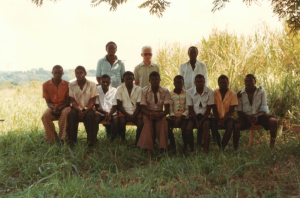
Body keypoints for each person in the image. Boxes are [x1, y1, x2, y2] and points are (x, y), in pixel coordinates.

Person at [235, 74, 278, 149]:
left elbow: (264, 108)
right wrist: (247, 116)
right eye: (246, 81)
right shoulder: (240, 93)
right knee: (236, 125)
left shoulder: (261, 91)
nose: (248, 83)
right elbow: (239, 111)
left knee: (273, 121)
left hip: (259, 116)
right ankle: (236, 148)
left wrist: (257, 116)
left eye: (251, 81)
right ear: (244, 83)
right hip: (245, 117)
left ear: (255, 81)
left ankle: (272, 146)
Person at [96, 41, 125, 137]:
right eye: (110, 48)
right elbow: (98, 76)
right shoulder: (101, 61)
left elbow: (123, 77)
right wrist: (103, 86)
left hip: (116, 90)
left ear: (116, 50)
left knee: (116, 111)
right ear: (106, 49)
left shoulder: (120, 63)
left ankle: (119, 134)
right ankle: (108, 131)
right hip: (105, 90)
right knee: (105, 107)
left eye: (113, 48)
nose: (111, 50)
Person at [137, 71, 170, 153]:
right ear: (149, 81)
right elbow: (142, 108)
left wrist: (159, 114)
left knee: (163, 122)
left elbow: (167, 109)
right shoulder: (144, 90)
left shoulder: (165, 91)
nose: (155, 81)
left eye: (157, 79)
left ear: (160, 80)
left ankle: (162, 147)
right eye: (153, 79)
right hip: (148, 113)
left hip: (160, 113)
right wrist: (150, 114)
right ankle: (148, 148)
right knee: (147, 122)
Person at [67, 66, 99, 146]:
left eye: (81, 72)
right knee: (71, 115)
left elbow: (92, 101)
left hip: (89, 107)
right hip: (76, 107)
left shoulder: (92, 84)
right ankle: (72, 141)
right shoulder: (72, 84)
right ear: (75, 74)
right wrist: (79, 110)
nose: (79, 75)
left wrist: (85, 112)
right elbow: (73, 101)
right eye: (77, 73)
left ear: (85, 73)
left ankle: (91, 142)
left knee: (90, 116)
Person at [42, 65, 71, 143]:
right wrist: (54, 107)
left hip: (65, 107)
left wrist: (61, 108)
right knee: (45, 116)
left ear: (63, 73)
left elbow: (68, 102)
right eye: (55, 73)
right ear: (52, 73)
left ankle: (63, 138)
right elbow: (48, 103)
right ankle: (52, 138)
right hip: (52, 107)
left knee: (65, 113)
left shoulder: (68, 84)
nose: (57, 75)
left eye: (59, 73)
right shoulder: (46, 85)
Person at [186, 74, 215, 153]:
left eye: (201, 82)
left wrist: (201, 121)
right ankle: (192, 149)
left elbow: (209, 109)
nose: (199, 83)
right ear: (195, 82)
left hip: (205, 116)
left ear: (204, 82)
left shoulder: (210, 92)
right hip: (194, 115)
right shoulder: (189, 92)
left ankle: (206, 150)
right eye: (198, 82)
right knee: (188, 128)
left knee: (205, 127)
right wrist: (196, 120)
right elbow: (191, 109)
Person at [211, 75, 238, 150]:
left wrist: (223, 120)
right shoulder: (214, 93)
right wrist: (219, 119)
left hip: (228, 117)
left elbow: (231, 111)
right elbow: (214, 110)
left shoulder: (233, 94)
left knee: (230, 127)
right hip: (216, 116)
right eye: (221, 82)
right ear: (218, 83)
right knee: (212, 126)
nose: (223, 84)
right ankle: (219, 143)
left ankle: (223, 145)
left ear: (228, 83)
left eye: (225, 82)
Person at [116, 71, 143, 144]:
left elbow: (139, 105)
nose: (129, 80)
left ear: (133, 79)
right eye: (127, 79)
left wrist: (135, 115)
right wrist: (127, 114)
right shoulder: (120, 89)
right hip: (124, 111)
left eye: (131, 79)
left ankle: (137, 141)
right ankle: (123, 139)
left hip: (135, 112)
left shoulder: (139, 89)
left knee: (140, 123)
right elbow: (119, 105)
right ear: (123, 79)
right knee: (121, 121)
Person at [167, 75, 189, 153]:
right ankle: (172, 143)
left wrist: (181, 117)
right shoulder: (170, 94)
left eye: (180, 82)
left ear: (183, 83)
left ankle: (185, 146)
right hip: (173, 117)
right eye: (177, 82)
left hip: (184, 117)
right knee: (165, 126)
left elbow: (188, 108)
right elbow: (170, 108)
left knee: (184, 128)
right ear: (174, 84)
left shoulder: (187, 93)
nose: (178, 84)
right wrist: (173, 117)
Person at [94, 74, 119, 141]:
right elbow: (96, 106)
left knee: (116, 121)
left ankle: (112, 139)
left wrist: (109, 114)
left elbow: (115, 106)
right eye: (103, 82)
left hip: (112, 112)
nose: (105, 84)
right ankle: (94, 138)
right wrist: (105, 113)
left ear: (110, 82)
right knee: (95, 119)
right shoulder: (96, 89)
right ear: (100, 82)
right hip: (101, 112)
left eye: (107, 82)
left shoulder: (114, 90)